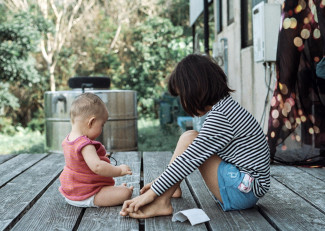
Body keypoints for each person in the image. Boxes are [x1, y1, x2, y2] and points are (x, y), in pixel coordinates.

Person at [120, 54, 270, 218]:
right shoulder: (225, 108)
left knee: (190, 141)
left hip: (243, 192)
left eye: (182, 95)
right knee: (189, 136)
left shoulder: (221, 117)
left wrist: (154, 192)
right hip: (244, 186)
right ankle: (172, 188)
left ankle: (162, 201)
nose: (183, 103)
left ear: (194, 89)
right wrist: (162, 182)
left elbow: (189, 159)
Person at [59, 92, 134, 207]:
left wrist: (101, 157)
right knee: (125, 193)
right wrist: (119, 170)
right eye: (102, 125)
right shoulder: (85, 144)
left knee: (116, 190)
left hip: (70, 193)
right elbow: (98, 167)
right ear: (91, 122)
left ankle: (113, 191)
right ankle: (118, 192)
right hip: (88, 194)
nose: (102, 129)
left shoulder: (68, 140)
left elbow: (80, 163)